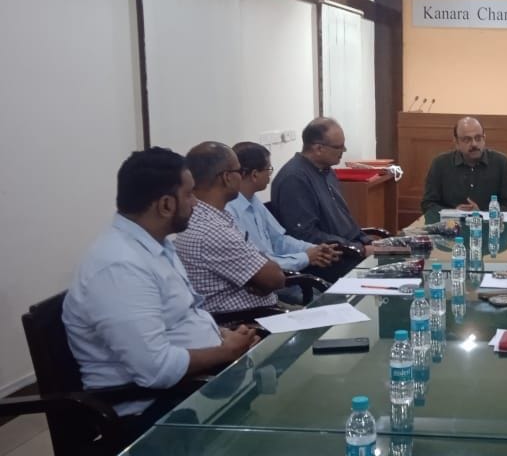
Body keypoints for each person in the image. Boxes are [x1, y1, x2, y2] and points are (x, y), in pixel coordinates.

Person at [63, 147, 259, 420]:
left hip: (194, 388)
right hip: (153, 410)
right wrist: (224, 351)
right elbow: (156, 369)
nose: (196, 203)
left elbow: (186, 314)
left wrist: (221, 336)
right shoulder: (119, 268)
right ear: (166, 205)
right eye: (189, 194)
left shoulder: (156, 245)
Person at [175, 142, 286, 313]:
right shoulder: (212, 230)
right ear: (227, 177)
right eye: (239, 171)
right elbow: (275, 278)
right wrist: (262, 275)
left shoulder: (205, 216)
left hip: (259, 312)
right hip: (248, 325)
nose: (242, 177)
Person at [270, 117, 375, 274]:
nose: (344, 150)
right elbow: (306, 235)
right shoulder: (294, 179)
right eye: (338, 146)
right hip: (330, 261)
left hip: (350, 250)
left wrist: (366, 241)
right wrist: (359, 249)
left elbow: (344, 221)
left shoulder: (326, 171)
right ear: (318, 149)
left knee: (408, 254)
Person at [226, 142, 341, 276]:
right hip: (266, 282)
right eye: (268, 169)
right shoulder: (230, 213)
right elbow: (259, 266)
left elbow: (279, 240)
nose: (270, 175)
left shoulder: (253, 200)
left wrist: (315, 249)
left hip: (280, 273)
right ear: (255, 175)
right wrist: (306, 257)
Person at [420, 116, 507, 213]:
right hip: (450, 226)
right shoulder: (440, 164)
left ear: (484, 138)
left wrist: (481, 214)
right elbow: (428, 204)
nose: (474, 144)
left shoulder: (502, 163)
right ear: (456, 142)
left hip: (490, 227)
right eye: (467, 139)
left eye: (478, 138)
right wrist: (454, 213)